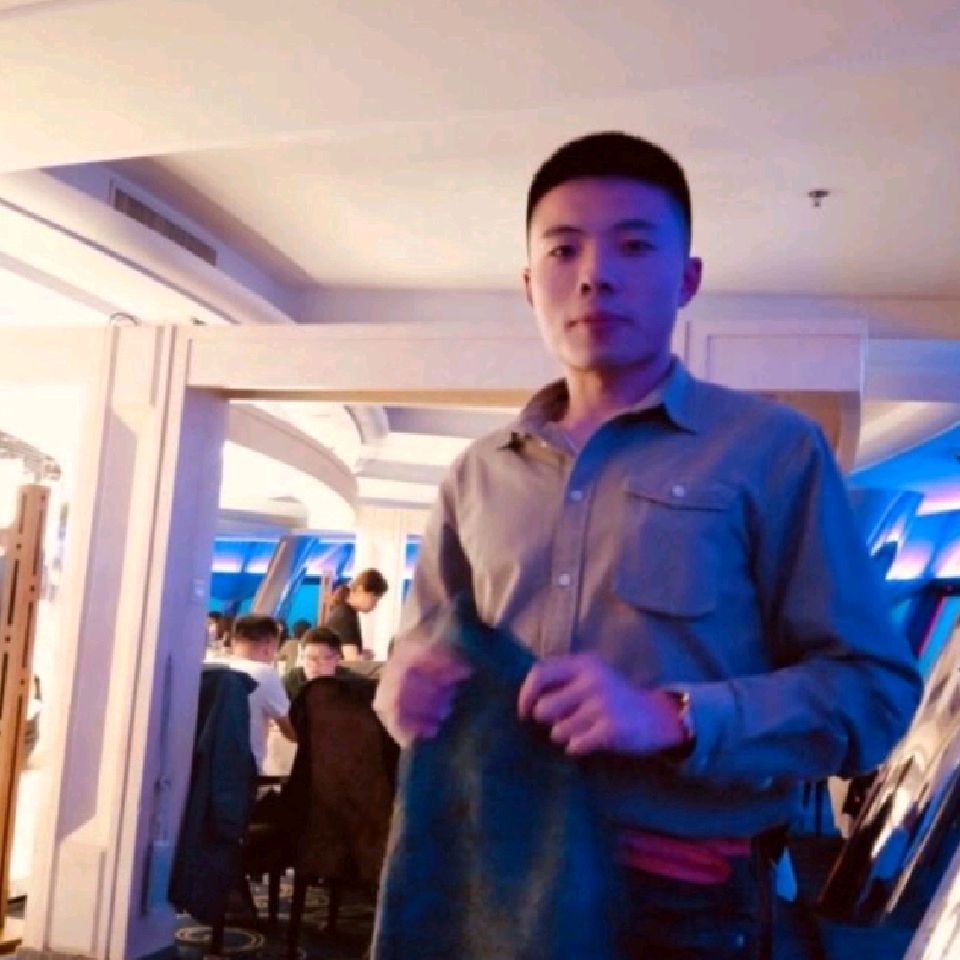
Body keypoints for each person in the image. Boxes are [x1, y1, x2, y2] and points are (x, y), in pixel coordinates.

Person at [374, 131, 922, 958]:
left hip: (683, 902)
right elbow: (418, 655)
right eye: (563, 249)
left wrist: (672, 716)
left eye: (633, 245)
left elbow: (873, 693)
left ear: (687, 278)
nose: (594, 274)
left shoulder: (772, 450)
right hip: (489, 883)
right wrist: (402, 690)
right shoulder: (477, 475)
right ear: (529, 283)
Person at [226, 613, 296, 772]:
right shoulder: (265, 673)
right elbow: (291, 731)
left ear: (234, 641)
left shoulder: (213, 666)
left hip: (202, 770)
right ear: (269, 645)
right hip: (243, 772)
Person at [324, 568, 389, 660]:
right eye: (374, 598)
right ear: (360, 589)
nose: (375, 604)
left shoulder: (344, 611)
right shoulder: (345, 616)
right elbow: (352, 660)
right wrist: (366, 656)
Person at [283, 626, 342, 701]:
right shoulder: (289, 683)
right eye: (310, 658)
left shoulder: (351, 685)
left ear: (337, 659)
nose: (315, 665)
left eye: (321, 659)